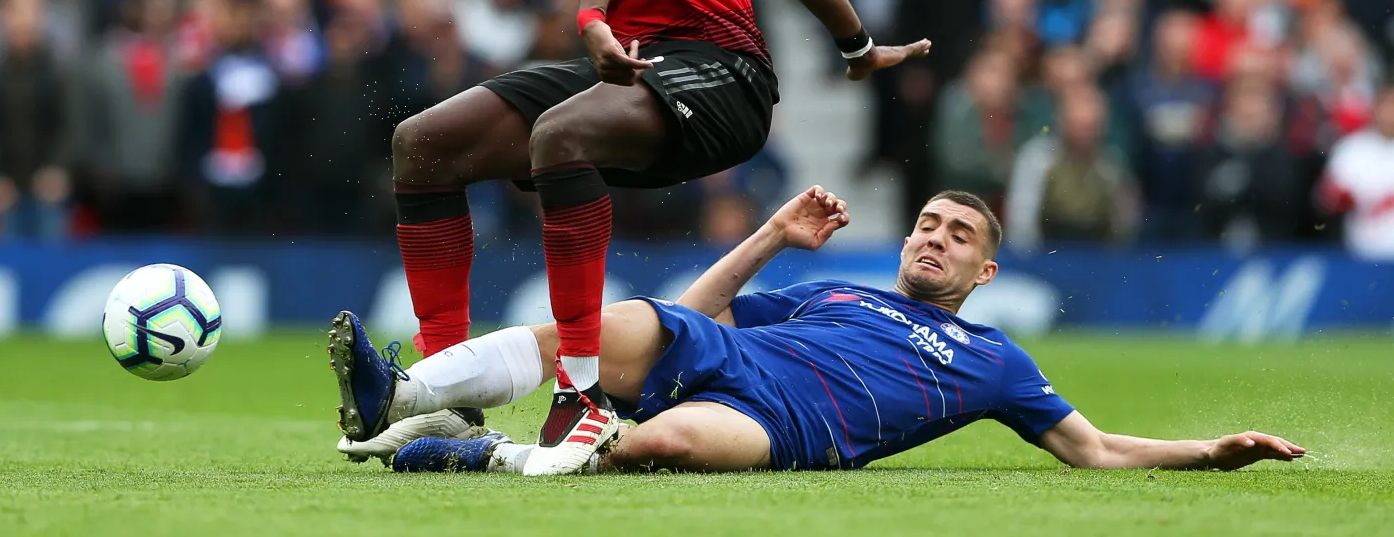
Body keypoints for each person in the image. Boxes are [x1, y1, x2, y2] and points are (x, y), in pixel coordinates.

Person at [367, 0, 930, 476]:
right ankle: (444, 391)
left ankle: (582, 391)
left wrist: (592, 17)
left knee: (560, 136)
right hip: (655, 63)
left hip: (723, 76)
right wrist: (858, 47)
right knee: (425, 143)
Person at [327, 187, 1305, 475]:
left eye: (957, 233)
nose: (933, 237)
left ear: (984, 270)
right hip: (728, 351)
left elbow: (1090, 450)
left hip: (794, 428)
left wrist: (1209, 454)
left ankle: (470, 454)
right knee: (604, 322)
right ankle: (401, 394)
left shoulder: (994, 359)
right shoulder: (839, 292)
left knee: (662, 442)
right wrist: (768, 235)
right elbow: (701, 311)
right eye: (925, 221)